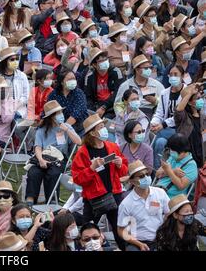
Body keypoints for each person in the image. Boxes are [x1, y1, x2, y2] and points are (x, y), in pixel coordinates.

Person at [71, 114, 128, 249]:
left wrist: (120, 164)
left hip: (114, 194)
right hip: (93, 198)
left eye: (103, 126)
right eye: (100, 127)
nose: (104, 129)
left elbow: (124, 171)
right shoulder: (83, 153)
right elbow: (78, 178)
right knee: (87, 229)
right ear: (92, 132)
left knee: (119, 228)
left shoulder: (112, 146)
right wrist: (92, 168)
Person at [26, 100, 82, 205]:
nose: (61, 115)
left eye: (61, 112)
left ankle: (51, 200)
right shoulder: (42, 129)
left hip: (60, 157)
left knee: (53, 173)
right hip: (43, 156)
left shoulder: (67, 126)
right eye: (58, 113)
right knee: (34, 172)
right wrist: (41, 160)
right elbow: (37, 147)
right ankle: (31, 199)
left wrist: (67, 130)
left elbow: (78, 142)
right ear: (51, 117)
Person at [117, 160, 170, 251]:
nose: (146, 177)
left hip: (161, 238)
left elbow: (169, 213)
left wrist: (166, 232)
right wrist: (139, 244)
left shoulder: (160, 193)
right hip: (137, 242)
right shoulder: (126, 204)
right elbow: (121, 230)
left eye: (147, 174)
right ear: (132, 182)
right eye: (141, 176)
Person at [150, 65, 185, 170]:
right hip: (165, 128)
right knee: (160, 142)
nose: (173, 77)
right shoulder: (164, 93)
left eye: (176, 74)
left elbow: (179, 116)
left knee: (156, 135)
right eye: (171, 74)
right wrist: (154, 123)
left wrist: (163, 125)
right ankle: (156, 169)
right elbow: (159, 113)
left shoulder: (187, 92)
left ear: (182, 76)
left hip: (180, 128)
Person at [115, 55, 165, 119]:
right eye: (146, 68)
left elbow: (164, 102)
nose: (149, 70)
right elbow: (118, 105)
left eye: (150, 68)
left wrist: (155, 100)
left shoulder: (157, 85)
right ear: (137, 69)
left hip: (151, 115)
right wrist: (122, 116)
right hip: (130, 117)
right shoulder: (125, 85)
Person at [84, 47, 124, 119]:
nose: (105, 62)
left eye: (106, 59)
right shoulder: (89, 76)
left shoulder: (116, 72)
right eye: (101, 61)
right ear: (94, 65)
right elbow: (88, 97)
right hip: (97, 106)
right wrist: (93, 110)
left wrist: (104, 107)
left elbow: (118, 93)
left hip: (113, 105)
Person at [156, 133, 199, 198]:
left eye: (173, 150)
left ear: (182, 151)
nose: (171, 152)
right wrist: (173, 172)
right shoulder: (172, 157)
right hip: (157, 191)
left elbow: (181, 186)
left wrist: (168, 170)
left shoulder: (191, 166)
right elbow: (157, 174)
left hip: (171, 197)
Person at [48, 67, 88, 134]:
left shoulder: (79, 93)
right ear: (62, 82)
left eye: (74, 79)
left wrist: (63, 130)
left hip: (78, 127)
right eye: (69, 79)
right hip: (58, 125)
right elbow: (48, 110)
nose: (73, 81)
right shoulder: (54, 94)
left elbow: (76, 114)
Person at [0, 47, 29, 118]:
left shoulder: (22, 76)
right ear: (5, 62)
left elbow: (26, 95)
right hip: (1, 111)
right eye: (12, 60)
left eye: (16, 59)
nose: (15, 62)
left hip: (18, 110)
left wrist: (16, 106)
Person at [174, 85, 204, 166]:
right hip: (187, 156)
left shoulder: (202, 115)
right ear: (189, 102)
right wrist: (189, 93)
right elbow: (179, 110)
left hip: (201, 154)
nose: (201, 100)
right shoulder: (183, 117)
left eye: (200, 98)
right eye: (197, 99)